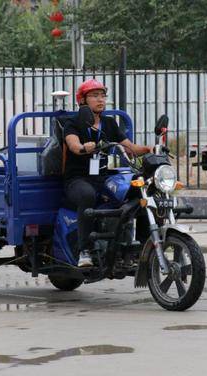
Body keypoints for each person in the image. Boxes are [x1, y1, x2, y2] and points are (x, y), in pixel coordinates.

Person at [63, 79, 151, 267]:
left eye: (103, 96)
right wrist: (83, 147)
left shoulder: (109, 123)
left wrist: (151, 149)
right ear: (83, 100)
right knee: (87, 195)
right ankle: (85, 251)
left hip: (102, 178)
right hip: (77, 179)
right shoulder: (73, 123)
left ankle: (143, 246)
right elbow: (73, 144)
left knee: (139, 191)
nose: (100, 100)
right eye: (95, 96)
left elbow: (130, 148)